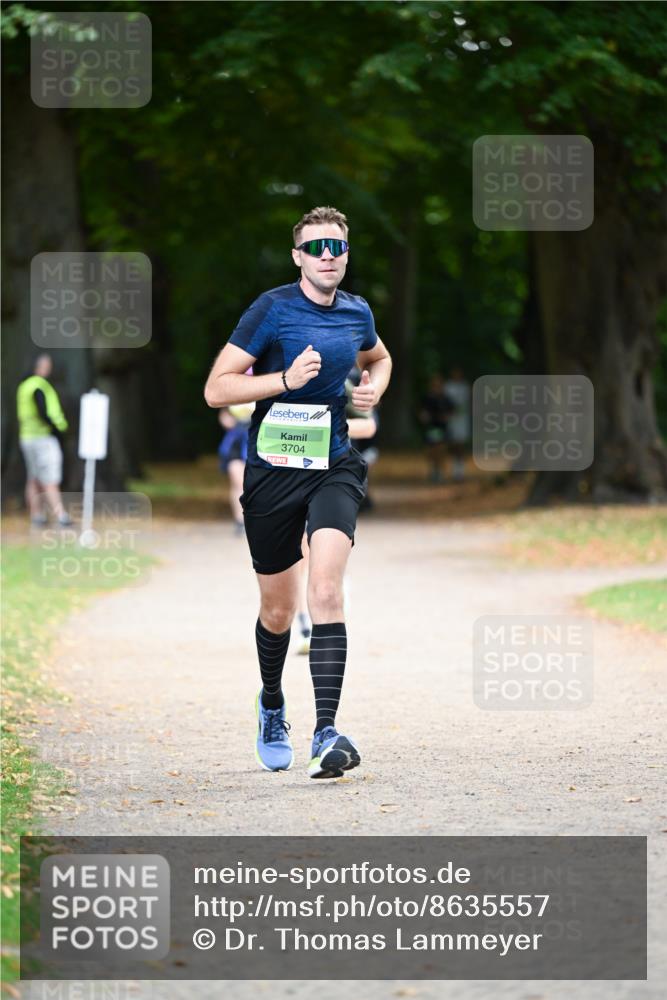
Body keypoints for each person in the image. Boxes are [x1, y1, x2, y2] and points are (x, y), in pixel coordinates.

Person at [204, 205, 392, 779]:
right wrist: (284, 380)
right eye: (316, 247)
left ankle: (326, 731)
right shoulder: (272, 309)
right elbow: (217, 389)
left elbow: (379, 358)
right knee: (279, 610)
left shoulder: (357, 311)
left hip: (333, 464)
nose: (327, 256)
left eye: (337, 247)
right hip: (272, 472)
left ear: (347, 255)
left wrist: (372, 391)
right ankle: (271, 703)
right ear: (298, 256)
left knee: (327, 588)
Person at [16, 354, 72, 526]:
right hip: (43, 438)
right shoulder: (39, 385)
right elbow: (44, 412)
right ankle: (60, 515)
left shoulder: (24, 386)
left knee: (33, 477)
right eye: (46, 365)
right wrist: (57, 429)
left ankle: (36, 515)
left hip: (27, 438)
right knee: (50, 478)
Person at [218, 396, 254, 535]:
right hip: (236, 443)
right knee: (238, 482)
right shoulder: (233, 390)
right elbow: (224, 416)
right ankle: (240, 521)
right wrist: (232, 422)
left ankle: (254, 518)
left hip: (257, 440)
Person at [418, 372, 454, 483]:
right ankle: (433, 471)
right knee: (432, 451)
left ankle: (440, 472)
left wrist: (446, 417)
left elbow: (452, 410)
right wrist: (424, 416)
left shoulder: (445, 398)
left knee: (441, 450)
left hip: (442, 427)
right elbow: (421, 411)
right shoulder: (427, 398)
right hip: (432, 427)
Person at [443, 366, 471, 482]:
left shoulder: (465, 387)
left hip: (462, 418)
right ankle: (455, 469)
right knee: (453, 444)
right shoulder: (448, 387)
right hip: (451, 419)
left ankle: (460, 470)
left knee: (461, 444)